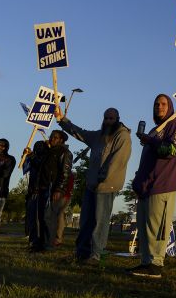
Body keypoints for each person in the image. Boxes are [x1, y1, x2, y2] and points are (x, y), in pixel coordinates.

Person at [56, 107, 132, 263]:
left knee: (100, 222)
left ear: (117, 119)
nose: (108, 121)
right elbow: (80, 133)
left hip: (106, 186)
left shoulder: (122, 136)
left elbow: (118, 161)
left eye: (111, 118)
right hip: (91, 185)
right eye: (106, 118)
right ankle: (82, 252)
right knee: (85, 221)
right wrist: (62, 120)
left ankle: (97, 255)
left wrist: (102, 179)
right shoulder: (98, 135)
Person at [128, 94, 176, 278]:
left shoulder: (174, 126)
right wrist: (138, 180)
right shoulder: (154, 130)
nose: (159, 106)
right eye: (156, 104)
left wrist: (150, 141)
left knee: (156, 227)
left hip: (163, 184)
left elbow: (171, 151)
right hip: (146, 187)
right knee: (144, 228)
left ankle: (156, 263)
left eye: (163, 104)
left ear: (170, 107)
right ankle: (146, 262)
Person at [23, 130, 72, 253]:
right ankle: (39, 245)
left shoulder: (65, 153)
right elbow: (39, 166)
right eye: (51, 137)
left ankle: (48, 245)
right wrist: (31, 155)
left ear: (61, 140)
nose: (52, 139)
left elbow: (65, 173)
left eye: (55, 137)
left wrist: (59, 189)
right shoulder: (48, 152)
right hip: (42, 188)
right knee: (40, 218)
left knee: (48, 218)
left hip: (53, 189)